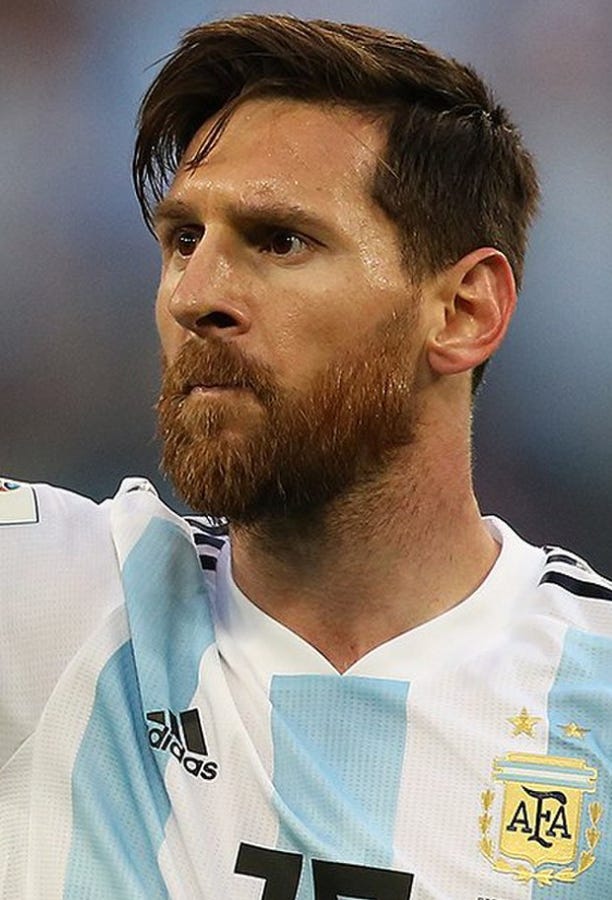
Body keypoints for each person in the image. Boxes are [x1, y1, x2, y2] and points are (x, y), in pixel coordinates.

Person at [1, 13, 611, 899]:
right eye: (184, 240)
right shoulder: (53, 602)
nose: (195, 296)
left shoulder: (594, 695)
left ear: (464, 311)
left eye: (280, 241)